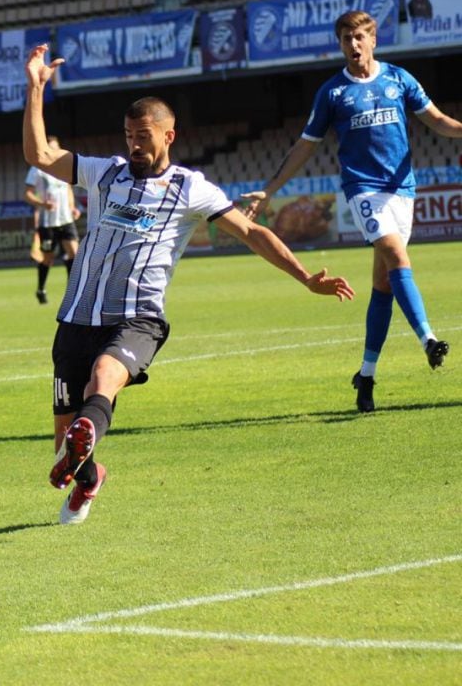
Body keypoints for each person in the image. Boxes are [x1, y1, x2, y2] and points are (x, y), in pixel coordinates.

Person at [23, 43, 355, 525]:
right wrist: (35, 88)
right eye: (128, 135)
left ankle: (84, 439)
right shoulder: (104, 173)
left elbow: (252, 231)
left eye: (143, 136)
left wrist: (305, 277)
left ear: (168, 135)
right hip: (75, 318)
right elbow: (38, 153)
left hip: (138, 318)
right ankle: (89, 475)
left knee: (104, 377)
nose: (134, 144)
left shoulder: (190, 188)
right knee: (64, 446)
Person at [242, 10, 462, 413]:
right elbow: (305, 146)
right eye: (346, 38)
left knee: (383, 286)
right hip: (363, 190)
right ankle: (429, 339)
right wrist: (270, 191)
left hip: (402, 192)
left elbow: (438, 121)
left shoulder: (399, 79)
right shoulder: (332, 93)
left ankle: (366, 374)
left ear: (374, 40)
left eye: (360, 36)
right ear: (340, 43)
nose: (354, 44)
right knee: (397, 256)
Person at [24, 135, 80, 304]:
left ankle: (73, 292)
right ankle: (41, 289)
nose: (54, 151)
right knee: (48, 258)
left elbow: (68, 188)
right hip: (47, 221)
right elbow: (27, 194)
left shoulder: (64, 167)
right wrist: (42, 203)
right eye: (51, 148)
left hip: (65, 218)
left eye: (56, 147)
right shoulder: (37, 169)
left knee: (74, 253)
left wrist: (72, 207)